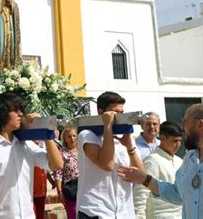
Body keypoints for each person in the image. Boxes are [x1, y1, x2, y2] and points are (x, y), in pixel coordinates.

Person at [119, 103, 203, 219]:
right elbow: (177, 193)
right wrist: (144, 179)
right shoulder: (190, 158)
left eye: (185, 122)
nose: (183, 128)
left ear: (200, 124)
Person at [0, 93, 63, 219]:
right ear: (1, 113)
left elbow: (57, 164)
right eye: (15, 110)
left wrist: (45, 130)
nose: (20, 114)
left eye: (21, 110)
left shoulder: (26, 146)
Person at [77, 91, 145, 219]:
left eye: (121, 113)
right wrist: (107, 126)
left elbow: (141, 176)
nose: (119, 116)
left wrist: (130, 147)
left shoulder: (125, 139)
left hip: (125, 212)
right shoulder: (87, 135)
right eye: (115, 113)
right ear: (101, 112)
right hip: (95, 211)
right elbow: (107, 164)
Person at [133, 121, 183, 219]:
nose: (178, 144)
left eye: (180, 141)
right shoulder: (152, 161)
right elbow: (141, 193)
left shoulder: (180, 161)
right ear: (163, 139)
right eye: (174, 141)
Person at [54, 127, 79, 219]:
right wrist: (59, 191)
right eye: (69, 136)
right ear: (64, 139)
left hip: (84, 187)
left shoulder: (84, 151)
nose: (72, 138)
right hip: (71, 189)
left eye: (74, 136)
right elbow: (58, 174)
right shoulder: (61, 153)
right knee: (73, 215)